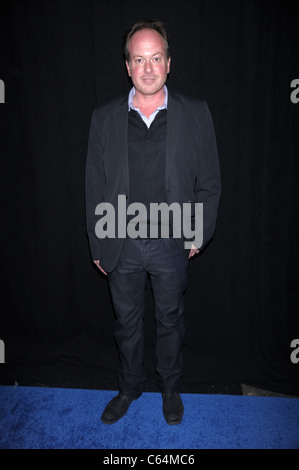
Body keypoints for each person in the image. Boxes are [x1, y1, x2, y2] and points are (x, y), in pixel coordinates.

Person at [85, 19, 221, 425]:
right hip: (119, 238)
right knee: (125, 323)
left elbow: (210, 181)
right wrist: (98, 243)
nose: (147, 68)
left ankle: (170, 387)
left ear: (168, 63)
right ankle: (129, 387)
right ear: (127, 66)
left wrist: (199, 232)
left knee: (170, 321)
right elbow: (94, 185)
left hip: (171, 239)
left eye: (155, 58)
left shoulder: (195, 113)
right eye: (138, 59)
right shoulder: (104, 117)